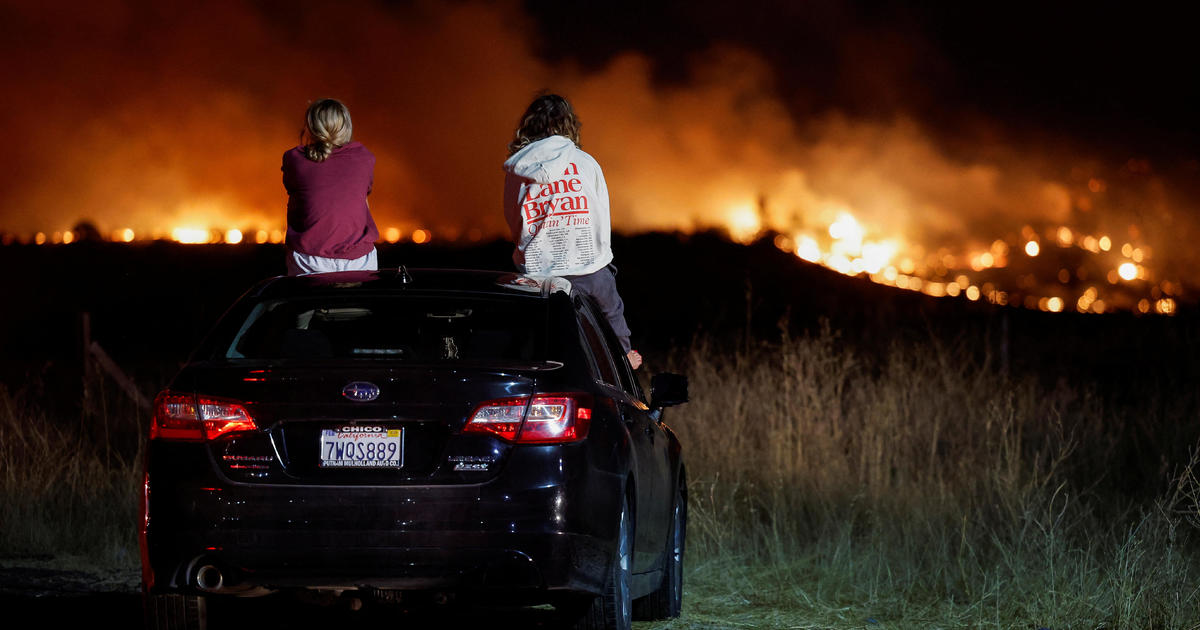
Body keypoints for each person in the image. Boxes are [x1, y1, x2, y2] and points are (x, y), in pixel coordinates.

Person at [503, 94, 642, 369]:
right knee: (611, 310)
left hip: (539, 273)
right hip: (588, 267)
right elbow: (601, 213)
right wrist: (599, 255)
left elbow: (513, 217)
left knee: (535, 329)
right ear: (569, 125)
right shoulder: (586, 163)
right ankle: (622, 358)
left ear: (529, 125)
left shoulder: (517, 169)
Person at [282, 98, 379, 275]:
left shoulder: (293, 159)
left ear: (311, 127)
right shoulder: (365, 158)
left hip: (309, 259)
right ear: (346, 126)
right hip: (358, 261)